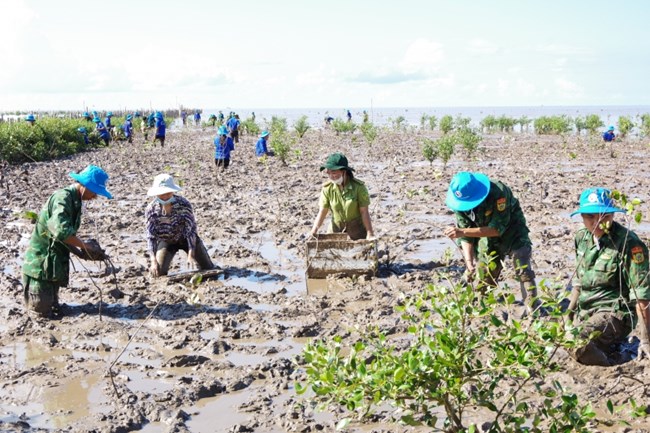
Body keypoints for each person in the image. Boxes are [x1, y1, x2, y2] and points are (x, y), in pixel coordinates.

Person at [567, 187, 650, 366]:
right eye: (590, 216)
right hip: (587, 311)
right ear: (582, 217)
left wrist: (645, 340)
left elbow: (642, 295)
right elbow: (578, 282)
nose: (597, 222)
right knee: (560, 337)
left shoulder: (630, 244)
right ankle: (606, 350)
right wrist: (568, 314)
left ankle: (610, 364)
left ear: (612, 215)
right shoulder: (582, 238)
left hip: (615, 314)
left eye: (604, 216)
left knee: (576, 341)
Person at [21, 165, 112, 317]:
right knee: (40, 314)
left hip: (53, 264)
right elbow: (61, 232)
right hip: (40, 264)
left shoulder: (75, 200)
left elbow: (66, 238)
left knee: (53, 306)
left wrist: (81, 253)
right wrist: (86, 246)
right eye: (94, 192)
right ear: (84, 185)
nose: (95, 196)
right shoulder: (62, 198)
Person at [443, 172, 538, 308]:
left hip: (512, 232)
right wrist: (469, 263)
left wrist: (461, 232)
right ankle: (484, 308)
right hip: (485, 237)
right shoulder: (460, 204)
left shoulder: (498, 192)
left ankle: (532, 310)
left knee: (523, 268)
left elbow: (496, 229)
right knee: (485, 277)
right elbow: (465, 236)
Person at [145, 174, 214, 277]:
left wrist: (191, 254)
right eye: (161, 193)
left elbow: (191, 230)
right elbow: (151, 236)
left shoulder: (184, 204)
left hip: (185, 239)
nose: (164, 196)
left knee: (208, 269)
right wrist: (153, 260)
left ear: (172, 191)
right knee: (157, 273)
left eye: (167, 193)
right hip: (167, 241)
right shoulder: (151, 209)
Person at [309, 153, 375, 241]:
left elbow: (364, 212)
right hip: (336, 231)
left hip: (357, 231)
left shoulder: (358, 187)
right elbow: (322, 211)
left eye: (334, 173)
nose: (331, 176)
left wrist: (370, 233)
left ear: (344, 171)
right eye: (328, 173)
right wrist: (314, 231)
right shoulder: (327, 189)